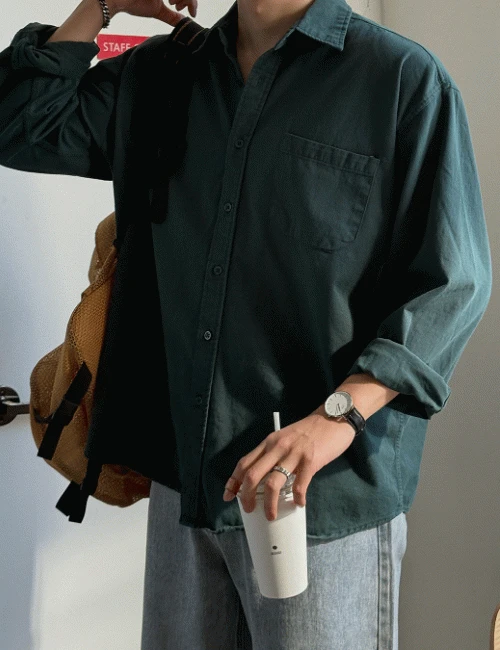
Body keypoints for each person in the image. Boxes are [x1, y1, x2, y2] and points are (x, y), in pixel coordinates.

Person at [0, 0, 492, 648]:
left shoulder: (399, 79)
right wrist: (102, 4)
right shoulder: (163, 74)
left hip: (319, 498)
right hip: (185, 489)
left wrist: (338, 414)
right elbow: (21, 121)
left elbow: (453, 281)